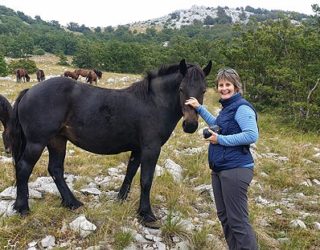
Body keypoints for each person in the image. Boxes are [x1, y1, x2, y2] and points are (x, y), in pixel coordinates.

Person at [185, 68, 259, 250]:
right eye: (221, 85)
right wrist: (199, 108)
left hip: (236, 169)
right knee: (225, 218)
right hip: (220, 169)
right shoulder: (227, 108)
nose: (224, 88)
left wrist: (221, 140)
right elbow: (217, 125)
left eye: (228, 85)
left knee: (238, 221)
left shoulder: (241, 107)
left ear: (236, 87)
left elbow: (251, 135)